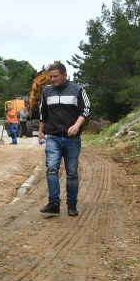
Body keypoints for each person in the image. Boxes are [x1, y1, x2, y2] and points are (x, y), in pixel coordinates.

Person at [37, 62, 90, 217]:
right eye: (50, 77)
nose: (53, 80)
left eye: (56, 76)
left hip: (71, 139)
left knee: (72, 172)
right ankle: (54, 203)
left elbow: (86, 109)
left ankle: (72, 205)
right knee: (52, 169)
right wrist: (41, 131)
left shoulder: (78, 90)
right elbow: (43, 113)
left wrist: (76, 125)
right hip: (53, 137)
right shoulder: (47, 92)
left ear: (64, 75)